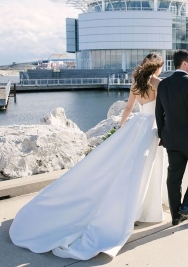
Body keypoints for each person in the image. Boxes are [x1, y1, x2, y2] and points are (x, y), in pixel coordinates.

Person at [9, 52, 166, 260]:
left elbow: (128, 107)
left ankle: (140, 206)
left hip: (137, 126)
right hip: (153, 127)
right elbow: (164, 109)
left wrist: (120, 130)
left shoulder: (136, 82)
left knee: (133, 167)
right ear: (157, 67)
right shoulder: (158, 83)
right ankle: (146, 207)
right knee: (148, 167)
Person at [155, 49, 188, 226]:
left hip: (171, 140)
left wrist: (163, 135)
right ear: (184, 64)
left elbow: (159, 113)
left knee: (174, 178)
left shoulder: (163, 85)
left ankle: (176, 216)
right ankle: (187, 205)